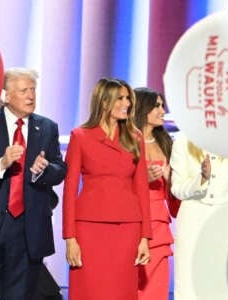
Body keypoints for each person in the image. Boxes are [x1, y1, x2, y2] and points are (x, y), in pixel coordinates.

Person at [0, 67, 67, 299]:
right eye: (23, 90)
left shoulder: (47, 127)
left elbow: (60, 169)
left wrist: (44, 170)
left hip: (27, 232)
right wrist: (1, 163)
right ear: (6, 96)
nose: (31, 96)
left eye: (33, 90)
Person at [62, 77, 152, 300]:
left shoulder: (134, 137)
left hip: (127, 227)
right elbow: (70, 191)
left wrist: (145, 237)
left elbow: (142, 188)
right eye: (120, 98)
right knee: (89, 290)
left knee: (120, 291)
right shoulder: (80, 136)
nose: (127, 103)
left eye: (128, 99)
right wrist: (70, 238)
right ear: (104, 102)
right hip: (89, 228)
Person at [170, 132, 228, 300]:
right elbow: (177, 189)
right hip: (193, 222)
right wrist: (202, 178)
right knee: (190, 288)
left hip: (225, 222)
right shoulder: (182, 141)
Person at [134, 87, 180, 300]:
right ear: (143, 109)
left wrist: (171, 180)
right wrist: (143, 179)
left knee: (156, 291)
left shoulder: (168, 144)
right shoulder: (126, 142)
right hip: (131, 221)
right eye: (157, 106)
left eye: (163, 106)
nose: (163, 111)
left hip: (159, 226)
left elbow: (174, 197)